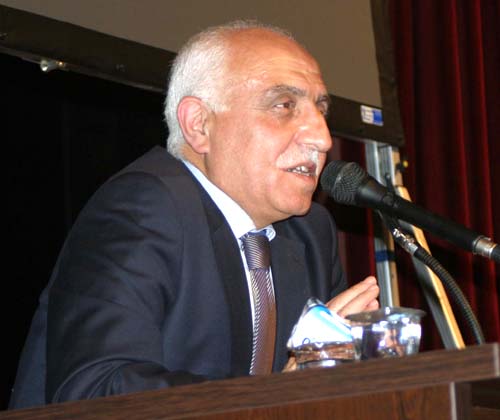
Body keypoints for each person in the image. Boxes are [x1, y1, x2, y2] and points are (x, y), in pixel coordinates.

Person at [9, 20, 379, 409]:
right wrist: (277, 396)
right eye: (284, 106)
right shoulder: (145, 207)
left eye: (321, 110)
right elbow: (96, 390)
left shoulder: (310, 232)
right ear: (199, 125)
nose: (322, 138)